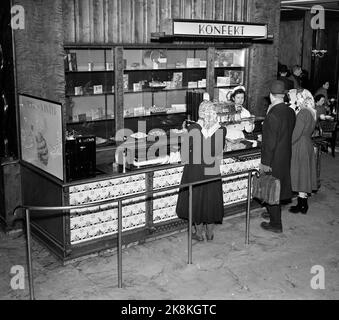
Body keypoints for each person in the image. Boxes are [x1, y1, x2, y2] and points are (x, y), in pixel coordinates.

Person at [176, 100, 227, 241]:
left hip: (195, 171)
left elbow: (184, 155)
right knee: (210, 200)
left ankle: (198, 233)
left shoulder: (193, 129)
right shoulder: (222, 130)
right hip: (212, 170)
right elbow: (219, 151)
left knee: (197, 200)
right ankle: (210, 233)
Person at [260, 80, 296, 233]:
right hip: (285, 155)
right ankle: (271, 213)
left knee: (271, 188)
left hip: (273, 158)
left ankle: (276, 224)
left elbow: (269, 143)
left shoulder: (272, 115)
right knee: (279, 187)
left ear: (271, 96)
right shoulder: (290, 111)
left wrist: (265, 163)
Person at [288, 89, 317, 214]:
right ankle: (302, 203)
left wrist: (287, 143)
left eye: (295, 99)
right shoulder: (311, 112)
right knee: (304, 175)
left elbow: (296, 133)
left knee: (299, 174)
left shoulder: (303, 113)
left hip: (300, 145)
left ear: (301, 99)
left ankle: (302, 204)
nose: (293, 101)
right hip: (307, 143)